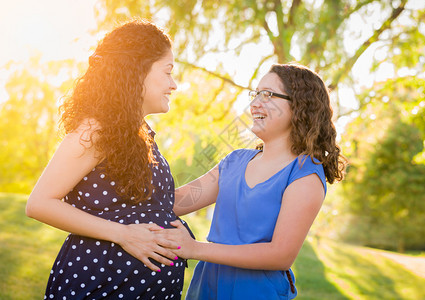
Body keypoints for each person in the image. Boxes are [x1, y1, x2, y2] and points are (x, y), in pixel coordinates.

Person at [26, 19, 193, 299]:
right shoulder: (97, 129)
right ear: (137, 70)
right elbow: (40, 203)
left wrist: (227, 172)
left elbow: (161, 206)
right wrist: (124, 235)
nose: (173, 84)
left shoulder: (139, 136)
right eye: (168, 72)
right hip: (99, 287)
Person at [155, 63, 347, 299]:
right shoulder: (235, 161)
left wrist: (195, 249)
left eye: (267, 94)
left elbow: (280, 255)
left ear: (299, 106)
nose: (255, 103)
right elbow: (175, 203)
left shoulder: (305, 175)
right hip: (206, 288)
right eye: (255, 94)